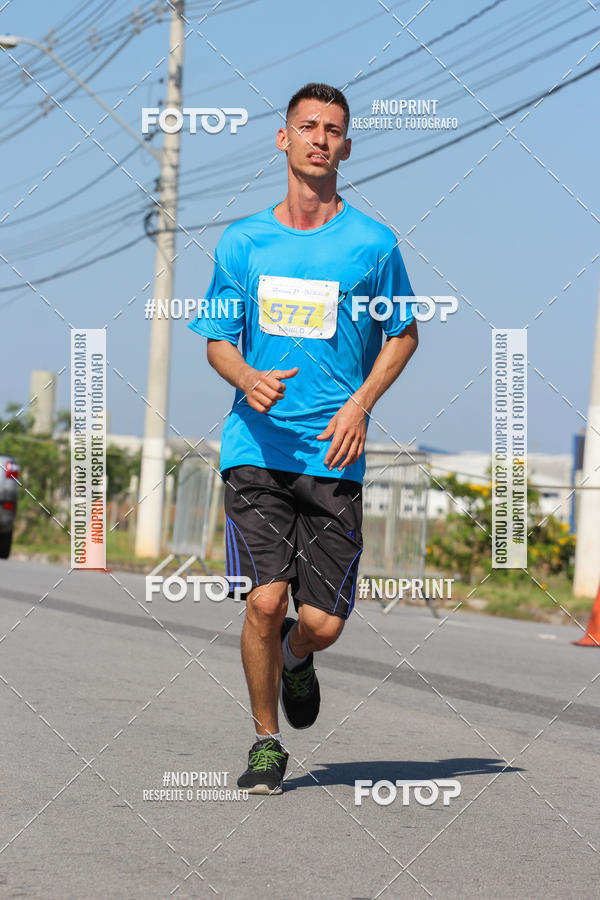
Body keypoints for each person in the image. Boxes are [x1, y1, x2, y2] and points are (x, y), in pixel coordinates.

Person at [189, 82, 418, 794]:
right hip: (256, 450)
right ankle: (266, 742)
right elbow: (217, 340)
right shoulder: (243, 242)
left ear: (346, 147)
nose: (320, 138)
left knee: (321, 622)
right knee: (264, 599)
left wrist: (360, 404)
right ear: (283, 138)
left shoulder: (372, 245)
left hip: (333, 455)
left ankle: (297, 655)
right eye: (308, 126)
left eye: (333, 130)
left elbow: (404, 333)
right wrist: (246, 376)